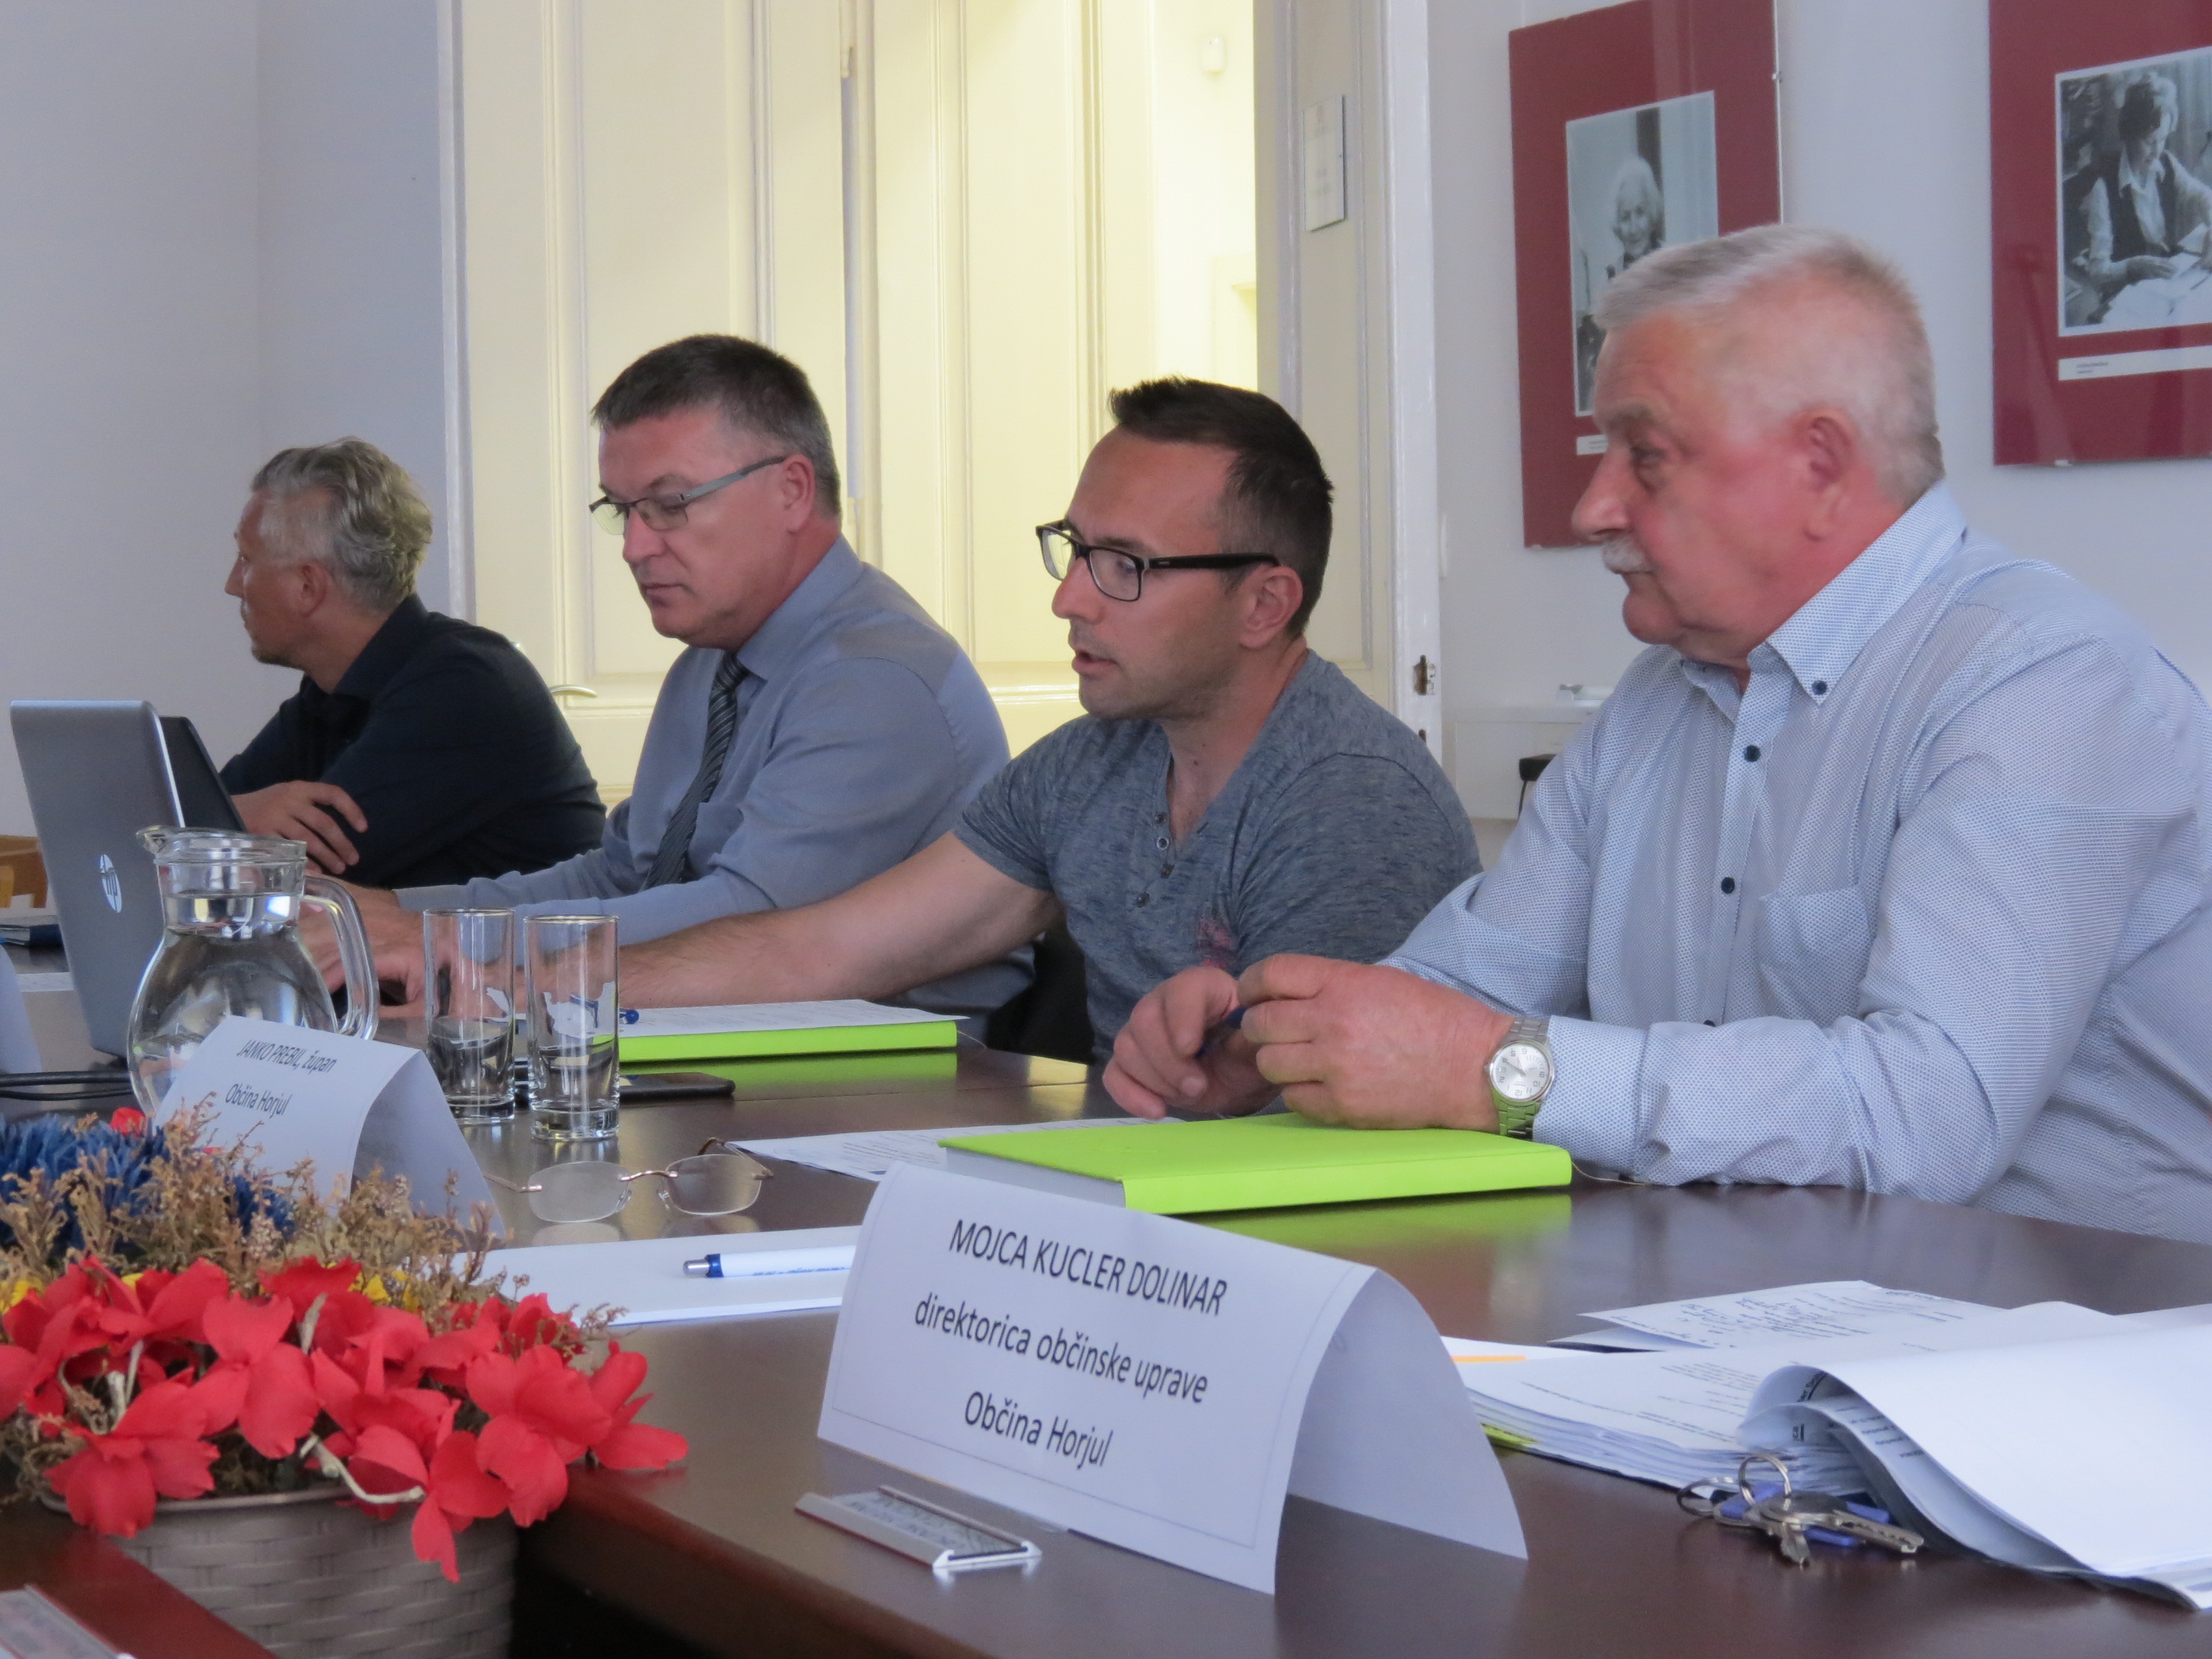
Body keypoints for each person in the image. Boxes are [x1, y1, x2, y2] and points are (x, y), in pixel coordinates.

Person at [1108, 225, 2212, 1245]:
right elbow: (1466, 991)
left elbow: (1928, 1116)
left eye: (1643, 455)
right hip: (1727, 1313)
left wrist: (1499, 1073)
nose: (1592, 507)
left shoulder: (2043, 684)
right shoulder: (1658, 700)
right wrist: (1279, 1046)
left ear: (1820, 468)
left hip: (2074, 1345)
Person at [615, 378, 1479, 1057]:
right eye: (1074, 549)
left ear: (1263, 604)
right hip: (1121, 1190)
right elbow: (822, 951)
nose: (1069, 599)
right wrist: (562, 987)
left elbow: (1317, 1138)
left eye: (1125, 565)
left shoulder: (1351, 803)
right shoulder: (1087, 763)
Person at [350, 335, 1019, 1018]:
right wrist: (394, 915)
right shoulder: (708, 662)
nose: (635, 547)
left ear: (791, 491)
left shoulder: (876, 679)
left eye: (670, 505)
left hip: (892, 1069)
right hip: (702, 1031)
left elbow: (750, 918)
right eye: (622, 511)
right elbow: (621, 874)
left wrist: (448, 940)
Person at [220, 439, 604, 888]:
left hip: (539, 938)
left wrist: (227, 819)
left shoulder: (463, 689)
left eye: (246, 560)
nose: (233, 585)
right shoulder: (329, 696)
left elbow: (284, 877)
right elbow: (184, 819)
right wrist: (240, 812)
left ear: (308, 586)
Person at [2072, 73, 2212, 318]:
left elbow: (2203, 197)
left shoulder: (2167, 163)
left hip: (2164, 284)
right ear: (2129, 135)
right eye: (2149, 141)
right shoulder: (2104, 189)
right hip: (2126, 295)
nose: (2157, 151)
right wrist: (2132, 266)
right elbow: (2097, 271)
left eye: (2163, 139)